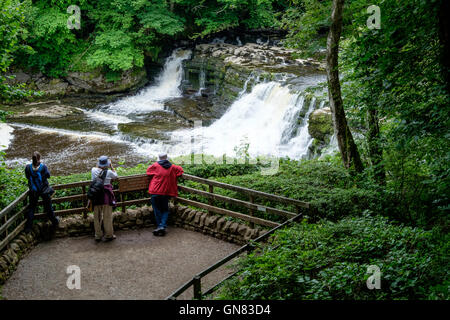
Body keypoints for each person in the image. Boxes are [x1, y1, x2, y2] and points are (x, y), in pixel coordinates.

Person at [146, 153, 184, 236]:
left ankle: (160, 226)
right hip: (166, 192)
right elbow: (180, 171)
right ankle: (162, 226)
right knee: (165, 209)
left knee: (157, 209)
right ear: (167, 158)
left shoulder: (155, 165)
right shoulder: (173, 167)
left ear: (158, 158)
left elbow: (148, 172)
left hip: (155, 191)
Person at [24, 151, 59, 233]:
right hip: (44, 190)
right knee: (48, 207)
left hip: (33, 191)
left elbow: (27, 176)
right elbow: (48, 176)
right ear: (39, 159)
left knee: (32, 208)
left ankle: (28, 228)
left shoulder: (28, 167)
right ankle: (55, 222)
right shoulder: (43, 167)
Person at [91, 155, 118, 242]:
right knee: (107, 216)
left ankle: (98, 235)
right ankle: (109, 235)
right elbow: (116, 176)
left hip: (96, 196)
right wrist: (111, 166)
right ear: (107, 164)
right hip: (106, 196)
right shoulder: (109, 172)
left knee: (96, 217)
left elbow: (96, 167)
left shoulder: (93, 170)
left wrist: (99, 164)